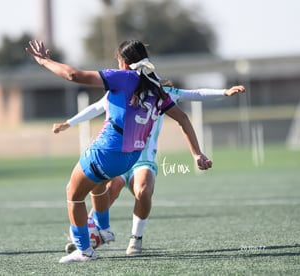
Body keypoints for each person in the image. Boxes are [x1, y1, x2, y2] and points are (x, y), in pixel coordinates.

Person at [26, 39, 212, 262]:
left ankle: (85, 250)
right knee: (97, 185)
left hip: (106, 152)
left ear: (124, 62)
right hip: (129, 159)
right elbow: (182, 119)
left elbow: (74, 75)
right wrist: (196, 153)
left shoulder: (123, 77)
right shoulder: (155, 87)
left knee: (73, 195)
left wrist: (45, 61)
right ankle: (104, 230)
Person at [53, 83, 245, 255]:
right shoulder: (121, 88)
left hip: (143, 159)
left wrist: (224, 92)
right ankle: (91, 235)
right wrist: (68, 123)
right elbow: (96, 107)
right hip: (118, 156)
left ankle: (135, 238)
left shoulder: (161, 92)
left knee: (143, 190)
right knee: (109, 188)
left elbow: (195, 93)